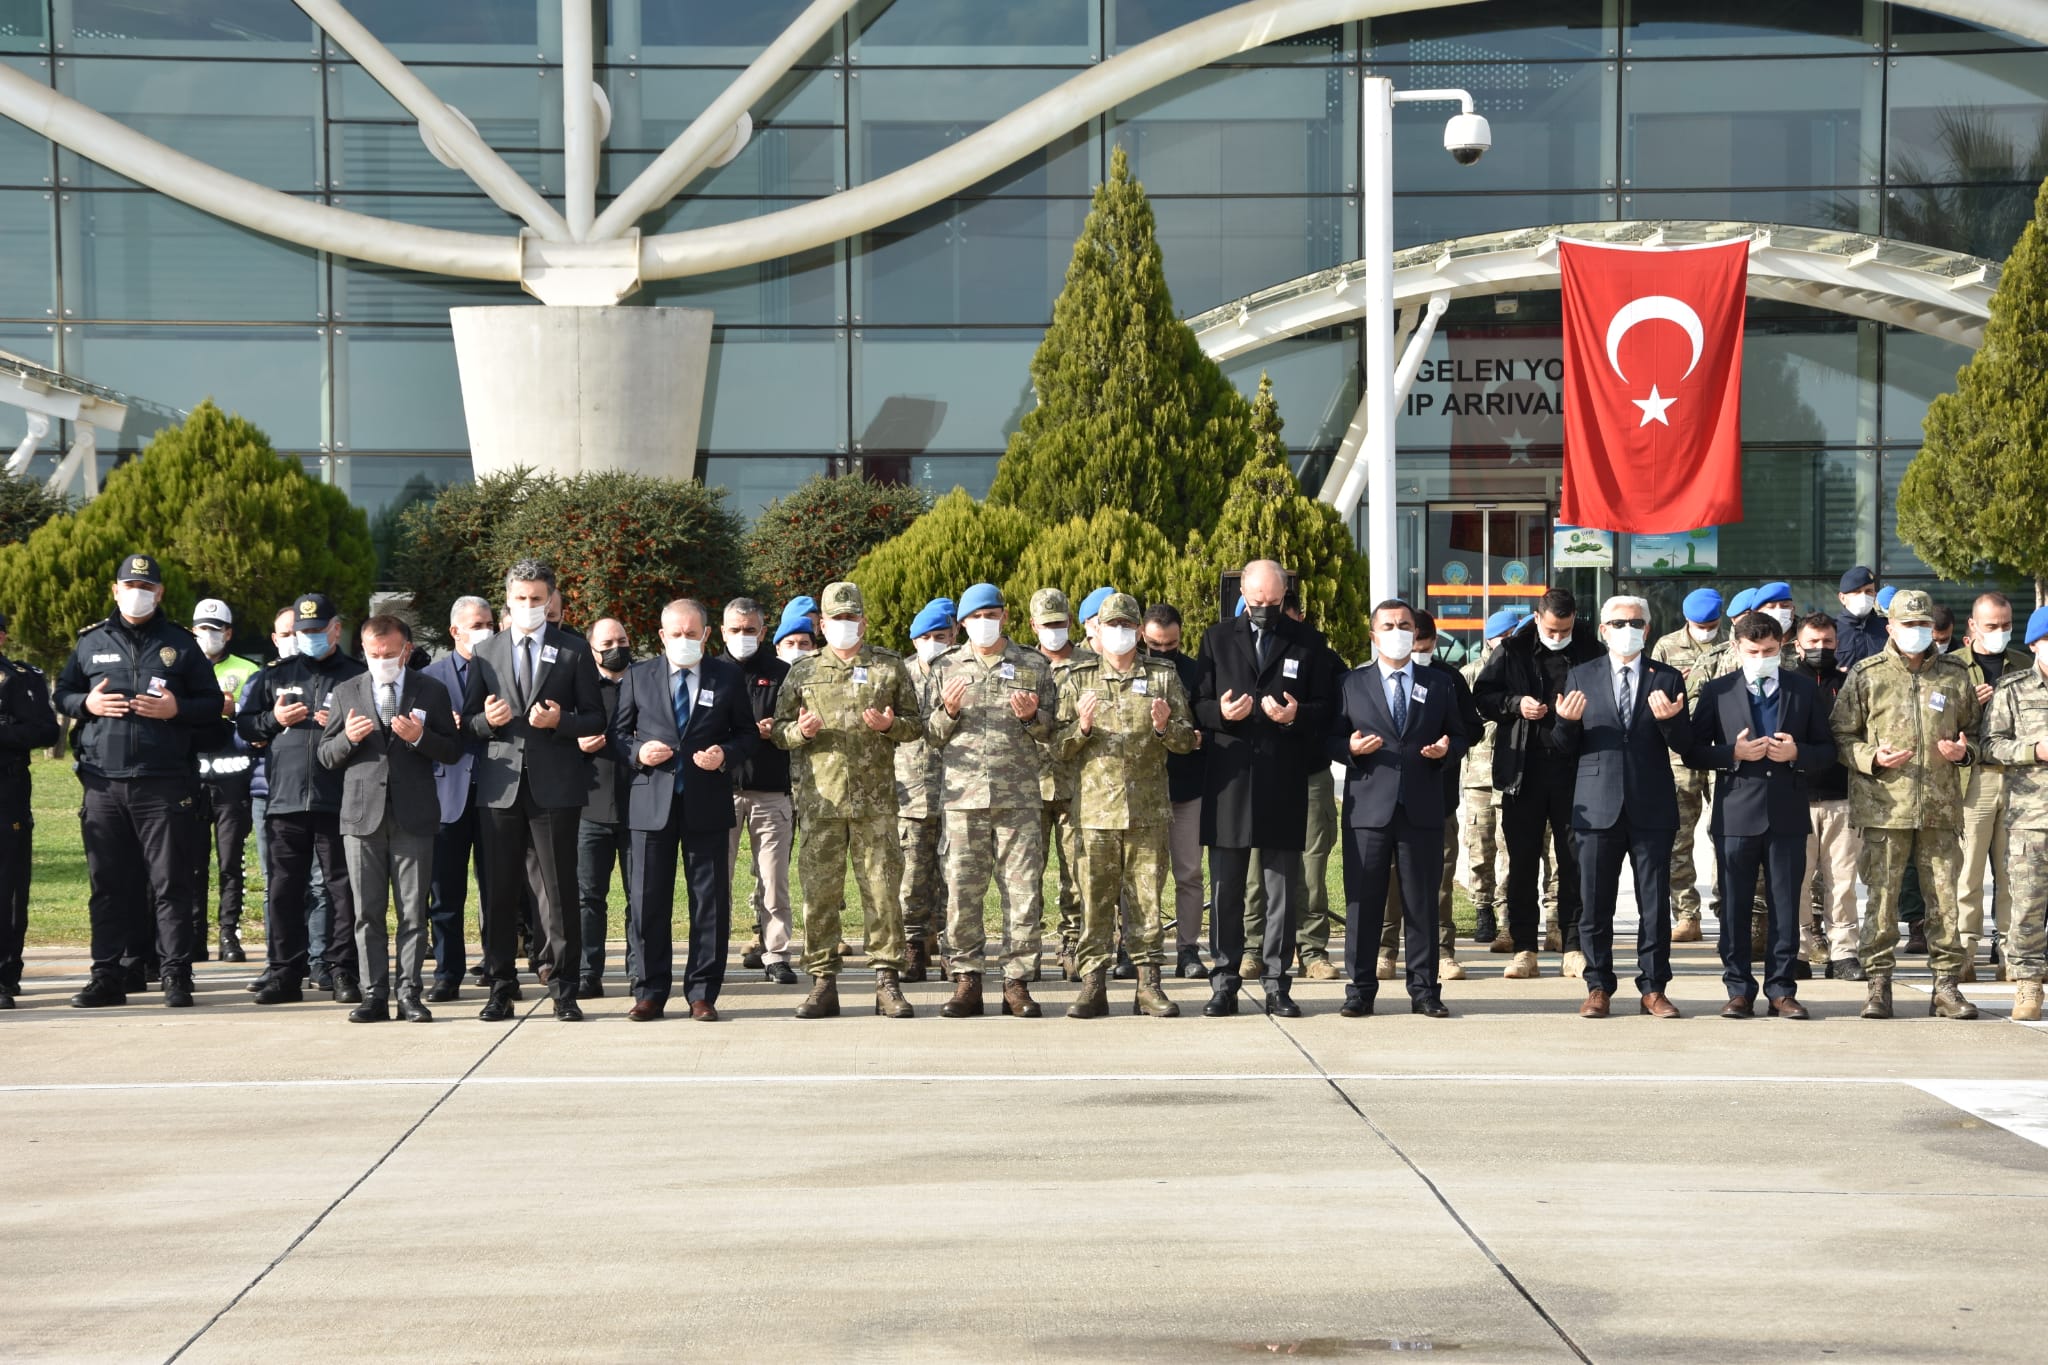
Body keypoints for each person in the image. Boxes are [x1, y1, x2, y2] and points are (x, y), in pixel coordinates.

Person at [56, 553, 221, 1008]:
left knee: (170, 884)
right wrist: (86, 704)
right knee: (109, 885)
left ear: (159, 593)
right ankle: (107, 976)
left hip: (162, 782)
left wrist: (176, 709)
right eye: (130, 585)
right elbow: (63, 692)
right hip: (103, 783)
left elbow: (211, 704)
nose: (137, 593)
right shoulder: (90, 641)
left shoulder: (181, 645)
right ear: (115, 590)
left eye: (146, 587)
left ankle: (175, 975)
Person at [460, 559, 608, 1023]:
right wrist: (488, 721)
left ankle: (565, 989)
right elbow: (467, 724)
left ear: (551, 599)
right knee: (499, 891)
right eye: (520, 598)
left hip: (555, 786)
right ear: (507, 599)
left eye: (537, 599)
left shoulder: (573, 649)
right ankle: (500, 987)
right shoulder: (486, 651)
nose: (528, 605)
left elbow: (596, 717)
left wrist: (560, 721)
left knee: (560, 890)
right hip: (500, 787)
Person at [771, 580, 923, 1020]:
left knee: (883, 892)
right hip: (822, 803)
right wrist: (801, 732)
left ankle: (887, 981)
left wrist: (890, 726)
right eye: (836, 618)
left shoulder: (889, 667)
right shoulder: (802, 672)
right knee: (820, 895)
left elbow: (915, 725)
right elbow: (778, 731)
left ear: (863, 621)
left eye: (851, 617)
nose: (844, 624)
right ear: (821, 624)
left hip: (876, 804)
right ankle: (823, 982)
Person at [1829, 588, 1980, 1021]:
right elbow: (1841, 735)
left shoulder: (1954, 674)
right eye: (1909, 624)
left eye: (1924, 624)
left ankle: (1946, 987)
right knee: (1882, 900)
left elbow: (1977, 732)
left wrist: (1964, 753)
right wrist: (1871, 758)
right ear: (1890, 627)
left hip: (1939, 808)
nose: (1918, 631)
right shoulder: (1868, 674)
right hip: (1884, 808)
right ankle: (1879, 986)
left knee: (1944, 900)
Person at [1194, 558, 1335, 1018]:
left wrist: (1296, 716)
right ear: (1243, 595)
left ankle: (1277, 983)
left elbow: (1328, 706)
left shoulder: (1308, 642)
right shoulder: (1216, 639)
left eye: (1274, 601)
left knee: (1281, 892)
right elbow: (1197, 702)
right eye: (1258, 601)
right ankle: (1224, 981)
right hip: (1230, 781)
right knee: (1226, 889)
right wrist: (1221, 714)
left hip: (1283, 779)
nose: (1265, 608)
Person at [612, 599, 758, 1022]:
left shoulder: (726, 676)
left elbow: (747, 734)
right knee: (647, 901)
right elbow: (617, 735)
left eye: (692, 634)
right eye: (676, 634)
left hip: (706, 801)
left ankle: (702, 992)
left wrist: (725, 754)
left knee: (709, 902)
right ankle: (649, 991)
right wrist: (639, 752)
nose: (684, 640)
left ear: (706, 635)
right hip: (651, 803)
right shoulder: (638, 675)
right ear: (662, 636)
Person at [1055, 593, 1198, 1017]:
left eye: (1125, 625)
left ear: (1138, 632)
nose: (1118, 633)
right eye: (1110, 625)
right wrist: (1081, 727)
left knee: (1146, 900)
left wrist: (1164, 726)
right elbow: (1056, 747)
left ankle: (1148, 986)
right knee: (1095, 901)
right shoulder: (1078, 678)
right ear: (1097, 630)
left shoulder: (1162, 677)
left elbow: (1188, 741)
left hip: (1147, 811)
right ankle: (1092, 986)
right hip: (1095, 814)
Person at [1688, 614, 1837, 1019]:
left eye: (1769, 651)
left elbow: (1828, 750)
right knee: (1734, 907)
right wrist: (1731, 754)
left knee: (1785, 906)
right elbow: (1693, 750)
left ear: (1782, 647)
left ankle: (1782, 990)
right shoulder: (1718, 691)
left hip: (1787, 813)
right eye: (1753, 651)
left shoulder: (1803, 690)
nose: (1761, 658)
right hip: (1736, 815)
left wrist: (1797, 753)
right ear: (1736, 648)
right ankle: (1738, 989)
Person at [1551, 596, 1693, 1018]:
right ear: (1603, 630)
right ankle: (1598, 985)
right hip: (1597, 805)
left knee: (1655, 904)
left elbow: (1686, 745)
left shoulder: (1666, 677)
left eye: (1634, 622)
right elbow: (1563, 748)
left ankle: (1654, 987)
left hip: (1651, 804)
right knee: (1595, 903)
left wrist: (1670, 721)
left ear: (1646, 629)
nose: (1626, 629)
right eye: (1617, 623)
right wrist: (1565, 723)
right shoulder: (1582, 675)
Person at [316, 615, 461, 1022]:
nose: (381, 660)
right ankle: (374, 994)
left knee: (413, 912)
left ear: (406, 651)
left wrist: (420, 738)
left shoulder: (431, 690)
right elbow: (326, 755)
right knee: (367, 912)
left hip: (414, 816)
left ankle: (410, 994)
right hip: (362, 818)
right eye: (373, 654)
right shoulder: (346, 691)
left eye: (389, 654)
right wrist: (349, 738)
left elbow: (452, 750)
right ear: (363, 650)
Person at [1328, 599, 1466, 1019]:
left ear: (1416, 631)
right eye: (1388, 625)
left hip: (1422, 807)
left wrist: (1446, 750)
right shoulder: (1351, 683)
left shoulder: (1439, 683)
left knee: (1421, 903)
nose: (1397, 631)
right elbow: (1329, 738)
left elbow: (1461, 734)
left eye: (1404, 624)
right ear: (1374, 635)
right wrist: (1349, 749)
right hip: (1368, 810)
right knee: (1363, 903)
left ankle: (1424, 990)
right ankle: (1360, 990)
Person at [927, 583, 1058, 1019]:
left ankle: (1016, 982)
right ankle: (966, 979)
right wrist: (947, 712)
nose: (984, 622)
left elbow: (1054, 730)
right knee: (962, 893)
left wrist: (1032, 717)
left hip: (1018, 798)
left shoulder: (1033, 664)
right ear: (962, 623)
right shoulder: (945, 666)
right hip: (962, 799)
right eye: (975, 616)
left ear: (1005, 616)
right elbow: (928, 734)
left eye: (991, 614)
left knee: (1023, 893)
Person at [237, 593, 367, 1006]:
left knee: (341, 890)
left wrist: (343, 730)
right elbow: (245, 727)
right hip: (285, 800)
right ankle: (284, 973)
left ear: (335, 629)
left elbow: (377, 729)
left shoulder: (356, 676)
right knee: (283, 891)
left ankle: (342, 970)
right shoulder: (275, 675)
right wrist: (274, 720)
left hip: (338, 799)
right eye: (301, 631)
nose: (308, 637)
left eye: (316, 630)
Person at [1474, 587, 1602, 980]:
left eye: (1564, 629)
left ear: (1575, 620)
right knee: (1523, 863)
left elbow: (1606, 700)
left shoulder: (1591, 650)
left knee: (1574, 863)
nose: (1558, 636)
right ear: (1536, 618)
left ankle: (1573, 945)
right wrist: (1516, 705)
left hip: (1576, 770)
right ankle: (1524, 947)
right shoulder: (1512, 650)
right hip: (1523, 770)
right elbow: (1484, 696)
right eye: (1551, 629)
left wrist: (1579, 715)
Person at [1375, 609, 1480, 983]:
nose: (1413, 649)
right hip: (1386, 798)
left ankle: (1443, 951)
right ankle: (1385, 950)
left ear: (1433, 643)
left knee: (1439, 879)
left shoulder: (1446, 679)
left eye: (1421, 644)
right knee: (1388, 879)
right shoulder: (1370, 679)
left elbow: (1471, 729)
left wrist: (1448, 747)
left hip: (1437, 796)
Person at [420, 596, 492, 1001]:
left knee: (497, 889)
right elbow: (416, 735)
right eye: (477, 625)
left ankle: (497, 968)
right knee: (445, 893)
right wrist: (445, 727)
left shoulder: (503, 671)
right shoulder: (429, 678)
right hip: (446, 794)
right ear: (455, 631)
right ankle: (447, 973)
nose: (485, 631)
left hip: (496, 791)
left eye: (489, 623)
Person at [724, 597, 799, 985]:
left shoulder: (782, 673)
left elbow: (800, 727)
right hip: (720, 791)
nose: (743, 636)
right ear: (721, 632)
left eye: (750, 630)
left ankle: (776, 954)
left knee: (773, 881)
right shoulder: (710, 672)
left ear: (764, 632)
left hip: (770, 790)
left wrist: (778, 731)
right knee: (715, 880)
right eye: (736, 630)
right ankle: (711, 954)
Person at [1981, 604, 2048, 1021]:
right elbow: (1990, 746)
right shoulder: (2013, 689)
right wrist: (2034, 750)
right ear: (2035, 644)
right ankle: (2028, 984)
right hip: (2031, 817)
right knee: (2027, 908)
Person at [1955, 592, 2026, 981]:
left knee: (2014, 872)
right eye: (1991, 626)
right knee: (1968, 872)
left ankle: (2011, 955)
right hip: (1973, 779)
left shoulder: (2025, 665)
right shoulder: (1951, 667)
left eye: (2006, 625)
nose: (1999, 632)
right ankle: (1965, 951)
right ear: (1972, 625)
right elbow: (1934, 722)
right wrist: (1969, 705)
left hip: (2018, 780)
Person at [1785, 614, 1860, 980]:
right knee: (1795, 882)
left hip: (1841, 798)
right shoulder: (1785, 684)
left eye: (1827, 642)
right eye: (1813, 642)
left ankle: (1844, 953)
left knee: (1842, 882)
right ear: (1797, 645)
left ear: (1837, 643)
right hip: (1794, 797)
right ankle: (1797, 952)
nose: (1820, 648)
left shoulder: (1850, 684)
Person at [1650, 587, 1722, 946]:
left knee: (1725, 834)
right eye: (1699, 626)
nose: (1706, 631)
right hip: (1679, 756)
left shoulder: (1733, 645)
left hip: (1723, 752)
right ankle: (1686, 914)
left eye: (1711, 625)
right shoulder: (1666, 646)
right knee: (1678, 838)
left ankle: (1727, 909)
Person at [190, 599, 259, 963]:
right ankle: (194, 935)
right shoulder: (183, 669)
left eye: (216, 629)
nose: (209, 634)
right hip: (193, 780)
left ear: (229, 633)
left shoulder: (248, 670)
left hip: (233, 781)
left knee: (231, 863)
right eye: (203, 628)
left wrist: (236, 710)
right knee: (193, 863)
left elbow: (257, 720)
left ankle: (229, 934)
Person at [1143, 603, 1209, 979]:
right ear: (1142, 636)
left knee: (1189, 874)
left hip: (1186, 788)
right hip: (1143, 790)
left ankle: (1188, 949)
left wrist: (1199, 737)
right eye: (1156, 644)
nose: (1164, 651)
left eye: (1171, 644)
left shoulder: (1196, 672)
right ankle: (1135, 949)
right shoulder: (1131, 670)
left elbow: (1210, 721)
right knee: (1141, 876)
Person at [1029, 588, 1092, 979]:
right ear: (1033, 625)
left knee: (1077, 873)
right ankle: (1028, 947)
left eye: (1059, 623)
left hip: (1077, 786)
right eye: (1046, 624)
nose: (1054, 630)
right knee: (1026, 875)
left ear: (1070, 621)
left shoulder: (1091, 665)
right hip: (1029, 787)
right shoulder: (1022, 665)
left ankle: (1071, 944)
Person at [895, 598, 955, 983]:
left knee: (955, 879)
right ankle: (914, 948)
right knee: (913, 878)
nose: (935, 643)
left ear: (954, 635)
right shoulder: (899, 675)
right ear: (915, 640)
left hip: (958, 793)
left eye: (942, 636)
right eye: (927, 637)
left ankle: (951, 950)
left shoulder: (962, 671)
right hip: (912, 793)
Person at [575, 617, 634, 997]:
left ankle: (640, 973)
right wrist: (576, 744)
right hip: (589, 809)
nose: (616, 649)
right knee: (588, 898)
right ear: (592, 648)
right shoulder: (578, 687)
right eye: (608, 643)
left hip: (639, 809)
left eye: (622, 641)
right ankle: (587, 973)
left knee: (640, 897)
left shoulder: (645, 683)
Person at [0, 610, 56, 1008]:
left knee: (8, 886)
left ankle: (4, 975)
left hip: (7, 791)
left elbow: (46, 730)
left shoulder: (21, 678)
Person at [1463, 609, 1516, 951]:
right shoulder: (1470, 673)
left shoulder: (1520, 670)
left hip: (1511, 773)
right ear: (1491, 638)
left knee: (1509, 847)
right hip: (1479, 776)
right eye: (1505, 637)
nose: (1509, 643)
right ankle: (1482, 909)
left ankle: (1507, 916)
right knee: (1479, 847)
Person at [1834, 567, 1885, 672]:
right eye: (1857, 592)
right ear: (1842, 598)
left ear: (1875, 595)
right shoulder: (1832, 630)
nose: (1863, 596)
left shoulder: (1887, 627)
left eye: (1868, 591)